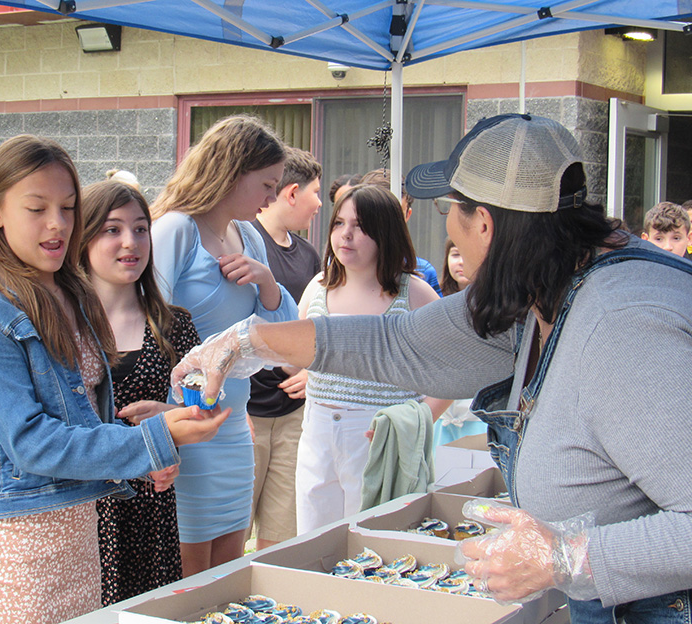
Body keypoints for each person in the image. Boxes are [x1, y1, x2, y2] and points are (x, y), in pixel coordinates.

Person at [173, 113, 692, 623]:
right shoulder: (546, 292)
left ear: (484, 224)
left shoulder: (624, 324)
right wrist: (249, 340)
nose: (443, 224)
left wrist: (568, 557)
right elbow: (398, 342)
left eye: (448, 206)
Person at [0, 135, 229, 624]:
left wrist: (148, 455)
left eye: (68, 207)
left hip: (81, 540)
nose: (57, 224)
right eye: (37, 208)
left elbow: (85, 419)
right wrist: (155, 440)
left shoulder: (71, 298)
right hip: (17, 551)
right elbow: (33, 442)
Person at [150, 115, 298, 576]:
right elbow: (148, 326)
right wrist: (164, 413)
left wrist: (268, 283)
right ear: (232, 173)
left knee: (229, 576)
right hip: (187, 427)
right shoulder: (176, 230)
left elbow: (283, 338)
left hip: (234, 429)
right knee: (190, 579)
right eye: (267, 184)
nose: (273, 198)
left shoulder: (249, 235)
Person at [295, 183, 440, 533]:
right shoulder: (317, 287)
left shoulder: (414, 293)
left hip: (378, 436)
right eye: (339, 223)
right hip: (317, 433)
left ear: (385, 232)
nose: (346, 235)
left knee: (374, 542)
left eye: (359, 226)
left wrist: (417, 418)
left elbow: (456, 364)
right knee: (315, 542)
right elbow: (297, 351)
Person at [80, 180, 199, 604]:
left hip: (150, 511)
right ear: (84, 237)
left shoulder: (175, 326)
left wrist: (170, 417)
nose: (130, 242)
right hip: (80, 506)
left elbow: (200, 413)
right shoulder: (58, 325)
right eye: (112, 229)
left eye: (140, 229)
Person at [247, 147, 322, 550]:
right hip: (245, 413)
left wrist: (313, 371)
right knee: (232, 536)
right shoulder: (244, 241)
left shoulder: (309, 255)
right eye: (315, 192)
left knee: (281, 538)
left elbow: (317, 329)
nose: (320, 204)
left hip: (293, 416)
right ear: (291, 193)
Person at [431, 237, 486, 447]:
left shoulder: (494, 309)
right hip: (443, 417)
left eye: (466, 254)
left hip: (477, 416)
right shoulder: (437, 303)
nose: (460, 261)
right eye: (455, 254)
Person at [360, 168, 443, 296]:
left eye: (395, 214)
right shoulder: (340, 269)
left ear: (407, 215)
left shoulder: (423, 272)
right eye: (374, 214)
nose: (384, 223)